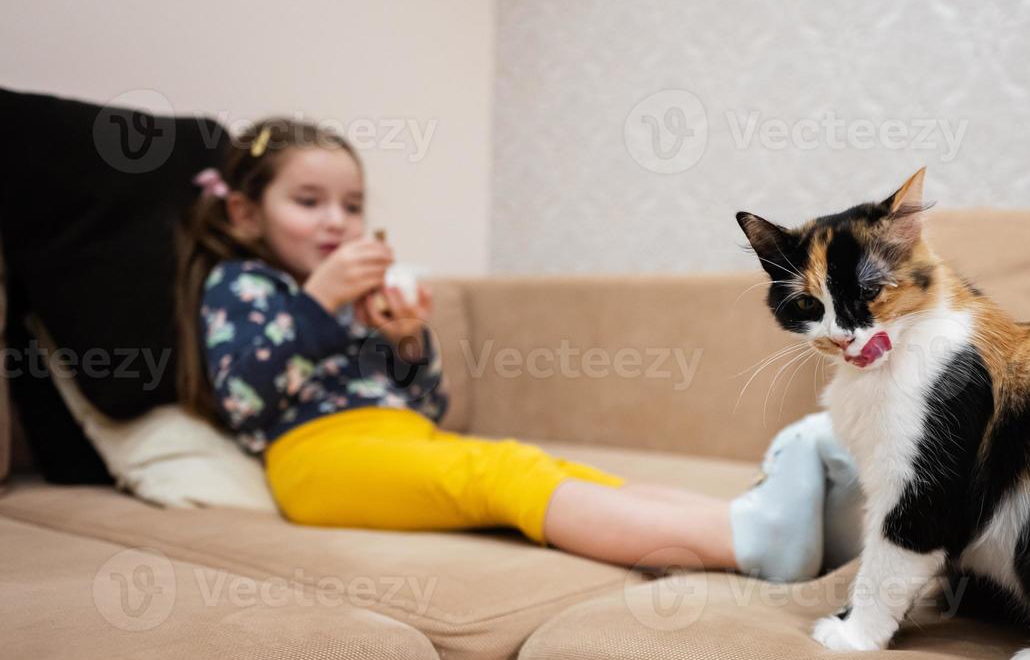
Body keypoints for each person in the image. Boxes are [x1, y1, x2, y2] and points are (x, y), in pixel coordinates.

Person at [175, 118, 860, 582]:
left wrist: (406, 343)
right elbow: (246, 396)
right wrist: (317, 302)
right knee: (501, 475)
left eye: (351, 205)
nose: (336, 220)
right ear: (244, 212)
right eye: (308, 201)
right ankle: (750, 545)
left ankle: (774, 522)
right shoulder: (242, 285)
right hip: (314, 459)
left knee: (547, 464)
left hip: (399, 436)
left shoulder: (354, 299)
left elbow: (428, 408)